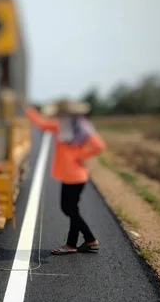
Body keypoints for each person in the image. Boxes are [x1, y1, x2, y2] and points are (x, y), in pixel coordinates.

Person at [20, 98, 106, 255]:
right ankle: (72, 244)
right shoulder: (75, 126)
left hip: (74, 177)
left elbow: (99, 145)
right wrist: (80, 155)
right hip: (75, 176)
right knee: (73, 209)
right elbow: (41, 123)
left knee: (68, 209)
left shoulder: (70, 126)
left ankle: (90, 239)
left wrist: (78, 156)